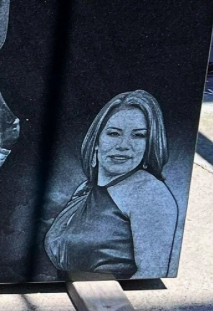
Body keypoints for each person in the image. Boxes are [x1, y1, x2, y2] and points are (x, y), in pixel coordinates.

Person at [44, 90, 179, 279]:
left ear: (149, 144)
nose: (124, 145)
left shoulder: (150, 193)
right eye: (114, 133)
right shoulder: (85, 189)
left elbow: (151, 272)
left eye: (138, 135)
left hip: (111, 298)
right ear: (97, 141)